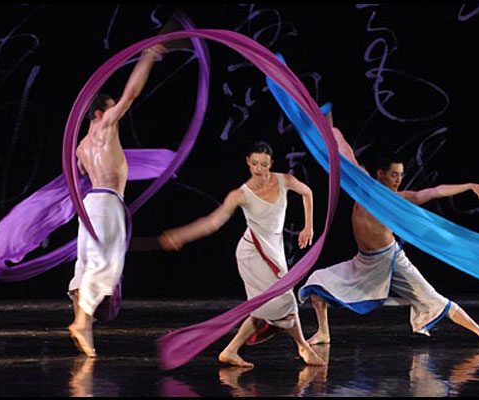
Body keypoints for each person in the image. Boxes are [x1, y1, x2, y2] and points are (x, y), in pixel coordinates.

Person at [299, 109, 479, 349]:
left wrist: (468, 185)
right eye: (394, 175)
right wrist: (328, 125)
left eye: (401, 175)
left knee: (432, 298)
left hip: (391, 259)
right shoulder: (362, 185)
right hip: (364, 261)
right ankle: (324, 332)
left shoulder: (399, 199)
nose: (398, 180)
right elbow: (341, 149)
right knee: (317, 282)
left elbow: (432, 192)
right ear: (380, 174)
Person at [158, 141, 326, 367]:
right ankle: (303, 347)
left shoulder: (283, 180)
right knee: (284, 302)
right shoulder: (240, 194)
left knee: (263, 308)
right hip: (253, 254)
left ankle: (230, 350)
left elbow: (307, 192)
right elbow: (212, 223)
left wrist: (309, 226)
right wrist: (183, 235)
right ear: (248, 162)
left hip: (274, 251)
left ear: (271, 164)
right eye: (255, 163)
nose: (259, 169)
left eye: (264, 164)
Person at [68, 41, 169, 357]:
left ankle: (82, 326)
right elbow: (131, 94)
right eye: (110, 110)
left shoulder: (80, 147)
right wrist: (148, 59)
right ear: (99, 112)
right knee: (107, 267)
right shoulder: (106, 126)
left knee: (85, 264)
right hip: (108, 203)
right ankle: (82, 323)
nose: (117, 115)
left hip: (88, 205)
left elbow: (78, 176)